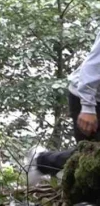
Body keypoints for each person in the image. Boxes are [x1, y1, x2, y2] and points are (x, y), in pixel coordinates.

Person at [26, 26, 100, 186]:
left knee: (91, 157)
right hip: (88, 96)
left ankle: (42, 162)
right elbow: (93, 67)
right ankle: (41, 161)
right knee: (91, 155)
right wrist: (87, 107)